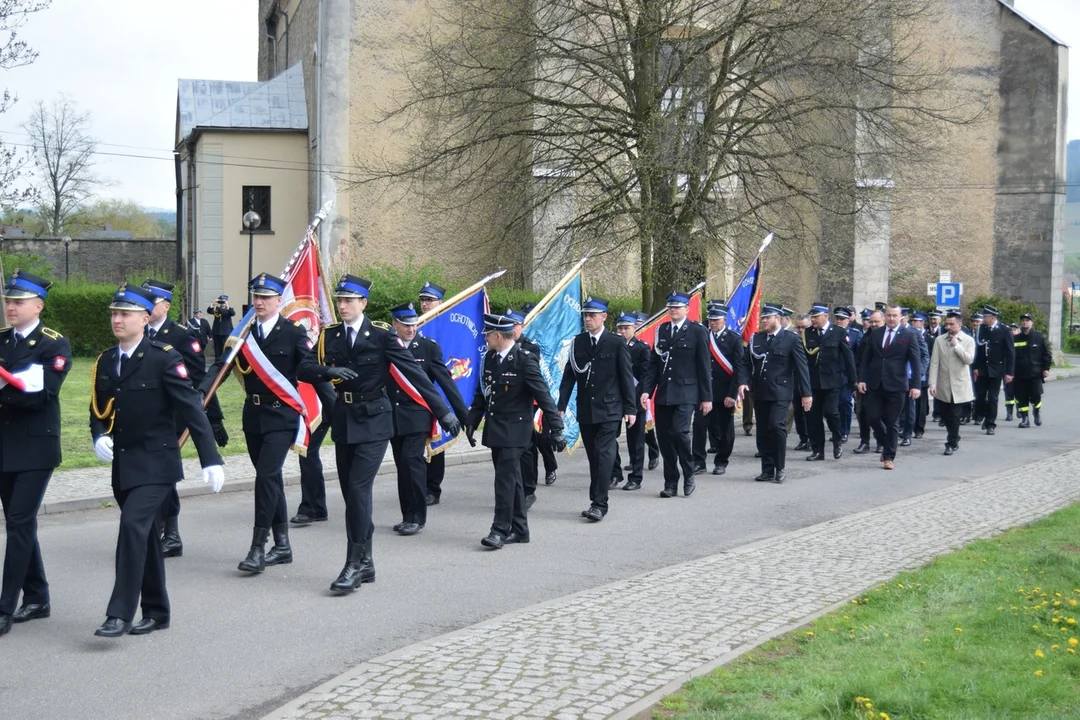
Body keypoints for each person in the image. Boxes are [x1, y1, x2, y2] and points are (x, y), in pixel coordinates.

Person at [90, 284, 224, 637]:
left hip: (157, 463)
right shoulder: (107, 359)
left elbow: (191, 408)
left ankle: (119, 612)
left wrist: (211, 458)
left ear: (145, 318)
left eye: (125, 314)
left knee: (132, 526)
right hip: (124, 464)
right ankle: (157, 610)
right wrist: (98, 435)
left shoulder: (164, 356)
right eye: (114, 313)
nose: (117, 319)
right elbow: (99, 408)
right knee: (145, 536)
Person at [309, 275, 458, 590]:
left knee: (359, 490)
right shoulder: (329, 336)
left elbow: (415, 372)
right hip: (345, 420)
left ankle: (352, 565)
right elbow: (303, 368)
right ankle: (367, 562)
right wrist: (328, 372)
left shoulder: (380, 336)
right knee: (352, 495)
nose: (342, 305)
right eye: (340, 300)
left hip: (376, 422)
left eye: (349, 300)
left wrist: (443, 411)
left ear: (363, 303)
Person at [203, 273, 322, 575]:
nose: (259, 302)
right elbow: (221, 365)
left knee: (266, 477)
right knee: (269, 478)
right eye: (256, 297)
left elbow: (306, 365)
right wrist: (201, 391)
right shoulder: (245, 333)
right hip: (253, 417)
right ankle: (282, 545)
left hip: (282, 416)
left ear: (278, 301)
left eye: (266, 297)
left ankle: (258, 547)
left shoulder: (294, 333)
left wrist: (326, 375)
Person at [0, 271, 72, 638]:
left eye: (18, 302)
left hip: (35, 446)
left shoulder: (53, 345)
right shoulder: (1, 341)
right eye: (8, 301)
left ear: (38, 306)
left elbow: (40, 395)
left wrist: (5, 390)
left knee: (17, 520)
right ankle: (38, 596)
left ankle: (5, 606)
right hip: (4, 445)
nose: (10, 307)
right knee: (21, 523)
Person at [142, 278, 228, 559]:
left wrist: (214, 419)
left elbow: (198, 385)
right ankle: (152, 531)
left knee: (164, 476)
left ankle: (172, 533)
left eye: (151, 301)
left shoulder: (181, 336)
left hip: (172, 418)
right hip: (143, 417)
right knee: (148, 475)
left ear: (165, 306)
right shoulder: (137, 331)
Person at [466, 314, 565, 549]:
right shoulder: (490, 358)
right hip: (496, 429)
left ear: (498, 336)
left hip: (516, 431)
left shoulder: (524, 360)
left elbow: (543, 396)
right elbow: (483, 392)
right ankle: (520, 529)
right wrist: (471, 421)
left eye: (488, 335)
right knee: (514, 481)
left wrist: (558, 429)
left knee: (504, 481)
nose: (486, 339)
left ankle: (499, 530)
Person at [388, 301, 468, 535]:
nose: (411, 329)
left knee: (412, 462)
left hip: (418, 415)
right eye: (405, 325)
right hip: (393, 417)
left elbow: (445, 382)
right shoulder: (387, 346)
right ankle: (406, 515)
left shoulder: (428, 347)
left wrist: (463, 416)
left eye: (414, 324)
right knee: (402, 465)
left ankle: (418, 517)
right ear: (395, 324)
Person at [557, 297, 635, 521]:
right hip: (587, 409)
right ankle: (597, 499)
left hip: (610, 410)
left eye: (592, 315)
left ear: (604, 317)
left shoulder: (616, 342)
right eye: (585, 315)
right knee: (594, 457)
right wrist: (560, 406)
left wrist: (630, 409)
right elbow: (569, 376)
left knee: (603, 454)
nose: (588, 319)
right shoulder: (578, 342)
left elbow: (626, 378)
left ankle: (599, 504)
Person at [640, 290, 712, 498]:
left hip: (687, 392)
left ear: (687, 309)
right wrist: (646, 390)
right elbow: (654, 363)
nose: (673, 310)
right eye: (670, 307)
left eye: (677, 307)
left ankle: (689, 473)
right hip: (664, 393)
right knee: (664, 440)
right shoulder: (661, 330)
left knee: (680, 433)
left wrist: (706, 397)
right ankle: (671, 482)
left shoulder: (697, 331)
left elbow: (704, 366)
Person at [744, 303, 811, 484]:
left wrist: (806, 394)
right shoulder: (756, 339)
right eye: (763, 318)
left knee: (776, 425)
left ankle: (779, 467)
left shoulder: (791, 339)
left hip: (781, 392)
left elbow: (801, 368)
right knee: (764, 430)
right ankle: (767, 469)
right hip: (760, 391)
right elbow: (746, 363)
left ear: (777, 319)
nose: (764, 321)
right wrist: (742, 382)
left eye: (767, 317)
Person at [858, 304, 922, 470]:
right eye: (889, 315)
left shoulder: (909, 335)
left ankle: (888, 456)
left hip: (897, 384)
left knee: (892, 421)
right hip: (875, 383)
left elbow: (916, 361)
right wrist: (861, 379)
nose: (891, 318)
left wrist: (916, 385)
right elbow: (866, 358)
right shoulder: (876, 333)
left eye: (895, 315)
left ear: (900, 316)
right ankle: (886, 442)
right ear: (885, 316)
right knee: (872, 416)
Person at [803, 303, 856, 461]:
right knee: (813, 417)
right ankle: (818, 450)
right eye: (812, 317)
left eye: (816, 317)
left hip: (833, 381)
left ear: (825, 317)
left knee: (832, 412)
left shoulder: (838, 332)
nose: (813, 320)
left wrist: (853, 381)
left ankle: (837, 439)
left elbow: (849, 358)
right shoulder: (808, 333)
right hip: (813, 382)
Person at [417, 281, 453, 506]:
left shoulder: (447, 326)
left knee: (436, 441)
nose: (425, 304)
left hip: (438, 391)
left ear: (440, 302)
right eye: (423, 300)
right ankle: (419, 485)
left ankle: (433, 488)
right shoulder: (414, 325)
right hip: (416, 393)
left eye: (429, 300)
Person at [505, 307, 545, 509]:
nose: (512, 328)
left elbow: (532, 375)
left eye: (515, 324)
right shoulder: (499, 346)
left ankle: (529, 489)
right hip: (506, 405)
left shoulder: (530, 348)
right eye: (509, 324)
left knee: (528, 448)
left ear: (522, 326)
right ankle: (514, 488)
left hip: (525, 403)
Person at [700, 301, 744, 475]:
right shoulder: (703, 336)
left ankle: (721, 461)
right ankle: (698, 462)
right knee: (699, 425)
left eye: (716, 320)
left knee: (725, 428)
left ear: (724, 320)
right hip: (705, 391)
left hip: (725, 391)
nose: (712, 323)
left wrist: (733, 394)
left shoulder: (734, 338)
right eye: (710, 320)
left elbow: (738, 367)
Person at [928, 310, 975, 455]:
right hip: (943, 384)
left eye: (951, 324)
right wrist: (932, 383)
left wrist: (957, 346)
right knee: (945, 415)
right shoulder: (939, 340)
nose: (948, 327)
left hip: (959, 384)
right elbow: (934, 363)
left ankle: (951, 442)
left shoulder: (968, 340)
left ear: (959, 325)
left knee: (955, 415)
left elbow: (969, 360)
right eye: (946, 324)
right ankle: (954, 435)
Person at [290, 379, 336, 525]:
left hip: (317, 406)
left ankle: (310, 508)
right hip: (303, 402)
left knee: (308, 454)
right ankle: (318, 507)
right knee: (309, 455)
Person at [613, 312, 650, 490]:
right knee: (610, 438)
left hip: (635, 399)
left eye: (626, 328)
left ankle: (636, 477)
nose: (622, 331)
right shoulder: (611, 346)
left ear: (634, 328)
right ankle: (614, 474)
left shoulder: (642, 348)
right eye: (620, 328)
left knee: (636, 440)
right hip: (614, 399)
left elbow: (645, 375)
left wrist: (642, 394)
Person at [972, 305, 1014, 436]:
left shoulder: (1004, 330)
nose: (983, 319)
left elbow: (1010, 352)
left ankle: (990, 423)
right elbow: (977, 350)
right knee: (980, 395)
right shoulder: (981, 329)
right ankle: (983, 414)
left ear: (992, 317)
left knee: (993, 397)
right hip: (983, 368)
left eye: (985, 317)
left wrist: (1009, 372)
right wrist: (975, 367)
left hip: (997, 369)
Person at [1012, 312, 1051, 428]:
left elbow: (1047, 354)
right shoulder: (1015, 338)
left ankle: (1036, 412)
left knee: (1036, 396)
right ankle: (1025, 419)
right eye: (1023, 320)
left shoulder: (1038, 337)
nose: (1024, 322)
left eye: (1027, 320)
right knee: (1021, 397)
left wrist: (1046, 369)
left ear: (1031, 322)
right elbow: (1010, 356)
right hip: (1019, 374)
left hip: (1034, 373)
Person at [853, 309, 884, 454]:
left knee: (878, 415)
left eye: (877, 321)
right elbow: (859, 361)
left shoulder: (887, 336)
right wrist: (857, 381)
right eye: (871, 322)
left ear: (883, 321)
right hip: (866, 381)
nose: (873, 324)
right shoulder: (866, 337)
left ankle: (881, 441)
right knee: (862, 413)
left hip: (883, 382)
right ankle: (864, 441)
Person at [835, 306, 862, 442]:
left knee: (845, 402)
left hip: (847, 375)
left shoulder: (855, 334)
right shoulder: (831, 333)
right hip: (832, 374)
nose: (839, 321)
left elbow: (860, 355)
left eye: (842, 319)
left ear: (848, 320)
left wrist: (856, 376)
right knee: (834, 405)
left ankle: (844, 431)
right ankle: (836, 430)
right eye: (837, 319)